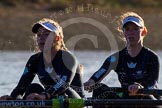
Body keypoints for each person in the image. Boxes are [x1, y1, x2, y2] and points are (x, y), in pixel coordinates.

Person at [84, 12, 160, 108]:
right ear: (123, 33)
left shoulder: (152, 57)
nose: (131, 33)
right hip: (127, 98)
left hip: (147, 99)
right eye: (127, 29)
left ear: (144, 32)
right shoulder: (116, 58)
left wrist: (139, 87)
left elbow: (152, 84)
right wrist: (91, 82)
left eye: (135, 29)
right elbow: (100, 72)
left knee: (139, 96)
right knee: (99, 89)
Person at [0, 18, 84, 100]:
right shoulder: (35, 60)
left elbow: (64, 83)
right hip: (51, 99)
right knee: (33, 87)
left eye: (46, 34)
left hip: (74, 100)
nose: (41, 38)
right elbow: (22, 86)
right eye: (39, 35)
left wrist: (45, 95)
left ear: (57, 38)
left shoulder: (68, 59)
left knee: (63, 91)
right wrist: (12, 98)